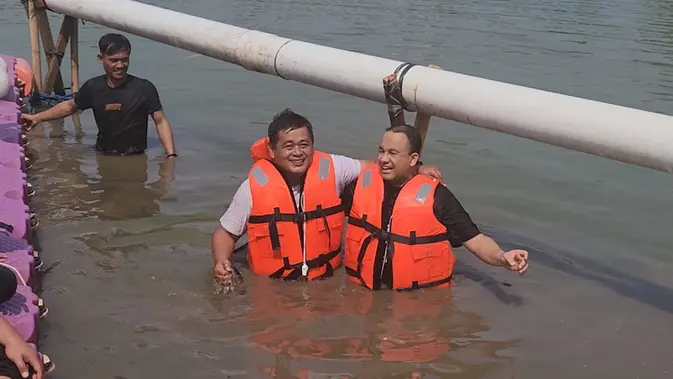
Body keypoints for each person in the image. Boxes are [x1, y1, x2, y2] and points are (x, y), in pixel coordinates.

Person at [211, 109, 442, 282]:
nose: (298, 152)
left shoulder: (333, 168)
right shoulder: (253, 187)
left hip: (326, 278)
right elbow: (225, 233)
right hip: (272, 284)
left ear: (313, 145)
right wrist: (221, 262)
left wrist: (416, 169)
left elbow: (375, 166)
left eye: (304, 144)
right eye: (288, 146)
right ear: (272, 150)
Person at [344, 124, 529, 291]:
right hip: (362, 293)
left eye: (392, 153)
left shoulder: (438, 197)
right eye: (381, 151)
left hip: (416, 303)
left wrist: (502, 256)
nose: (383, 159)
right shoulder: (362, 184)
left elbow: (475, 240)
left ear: (413, 159)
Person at [21, 33, 177, 158]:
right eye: (114, 60)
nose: (120, 65)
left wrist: (171, 155)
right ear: (101, 59)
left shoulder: (144, 88)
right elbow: (69, 107)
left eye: (124, 60)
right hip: (104, 155)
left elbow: (160, 121)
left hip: (136, 156)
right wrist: (37, 117)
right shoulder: (93, 87)